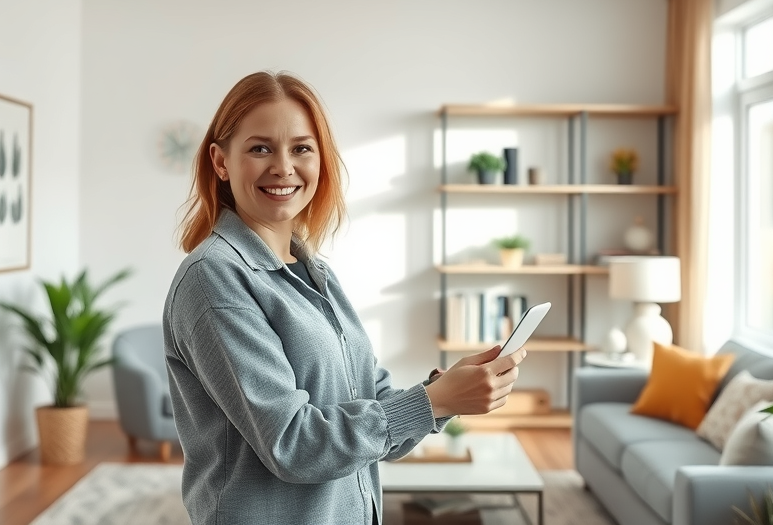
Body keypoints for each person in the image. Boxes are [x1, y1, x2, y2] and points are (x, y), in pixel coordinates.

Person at [163, 70, 526, 525]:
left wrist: (444, 392)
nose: (283, 167)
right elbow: (293, 445)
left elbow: (372, 400)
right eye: (260, 148)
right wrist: (435, 401)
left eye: (301, 149)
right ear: (220, 162)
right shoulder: (214, 279)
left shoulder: (316, 272)